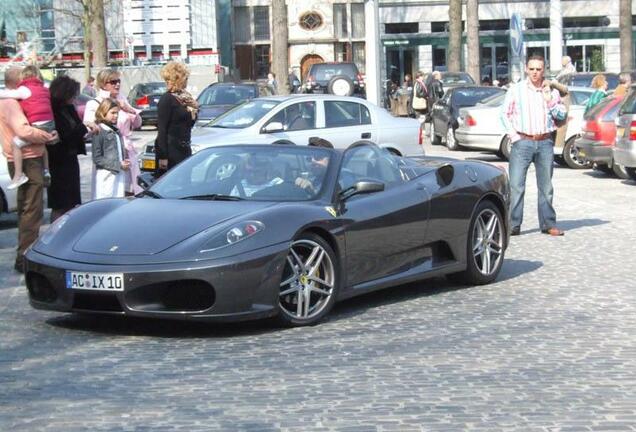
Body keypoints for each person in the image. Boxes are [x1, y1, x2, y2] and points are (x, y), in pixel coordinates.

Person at [500, 55, 567, 237]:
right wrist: (514, 137)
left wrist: (550, 100)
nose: (535, 72)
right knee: (516, 185)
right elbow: (504, 114)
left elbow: (561, 115)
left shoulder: (550, 91)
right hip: (523, 142)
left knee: (546, 186)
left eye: (539, 69)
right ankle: (513, 225)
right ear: (526, 69)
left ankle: (548, 223)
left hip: (545, 142)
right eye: (532, 69)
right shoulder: (517, 90)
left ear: (543, 70)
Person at [0, 67, 57, 273]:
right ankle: (25, 257)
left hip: (28, 156)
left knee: (29, 208)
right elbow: (23, 130)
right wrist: (45, 135)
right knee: (31, 210)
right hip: (28, 159)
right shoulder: (11, 103)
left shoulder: (13, 101)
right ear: (17, 82)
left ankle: (24, 255)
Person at [83, 69, 141, 194]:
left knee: (131, 191)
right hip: (110, 153)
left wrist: (129, 109)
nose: (117, 85)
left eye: (119, 81)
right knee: (112, 190)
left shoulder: (122, 99)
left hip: (127, 151)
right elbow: (88, 128)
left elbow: (137, 123)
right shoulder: (95, 103)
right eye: (113, 82)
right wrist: (94, 123)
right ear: (103, 84)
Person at [0, 65, 56, 190]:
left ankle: (19, 174)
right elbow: (23, 130)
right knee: (31, 202)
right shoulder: (43, 89)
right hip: (31, 155)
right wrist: (46, 136)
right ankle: (44, 171)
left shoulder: (22, 92)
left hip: (29, 153)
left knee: (17, 143)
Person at [48, 75, 90, 223]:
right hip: (58, 160)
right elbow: (64, 134)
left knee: (72, 202)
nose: (74, 98)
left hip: (71, 158)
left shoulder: (69, 108)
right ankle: (54, 234)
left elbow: (76, 128)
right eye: (72, 94)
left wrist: (82, 130)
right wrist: (83, 128)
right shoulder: (53, 110)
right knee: (60, 202)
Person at [155, 61, 198, 176]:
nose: (187, 82)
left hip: (184, 148)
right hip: (171, 150)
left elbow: (188, 124)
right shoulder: (167, 99)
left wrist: (195, 109)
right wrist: (163, 157)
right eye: (185, 78)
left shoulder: (185, 98)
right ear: (178, 79)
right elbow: (162, 129)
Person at [92, 98, 130, 199]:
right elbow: (97, 158)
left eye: (117, 113)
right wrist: (118, 164)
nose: (116, 116)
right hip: (106, 176)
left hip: (118, 175)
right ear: (103, 112)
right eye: (112, 113)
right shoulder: (99, 130)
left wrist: (124, 162)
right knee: (105, 202)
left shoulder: (116, 131)